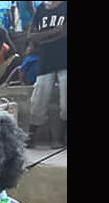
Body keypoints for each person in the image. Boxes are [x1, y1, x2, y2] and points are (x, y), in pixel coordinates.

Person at [26, 1, 66, 148]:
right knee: (38, 99)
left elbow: (65, 32)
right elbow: (31, 36)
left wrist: (41, 38)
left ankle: (61, 137)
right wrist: (55, 32)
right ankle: (32, 134)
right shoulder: (41, 8)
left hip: (64, 58)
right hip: (46, 61)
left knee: (66, 103)